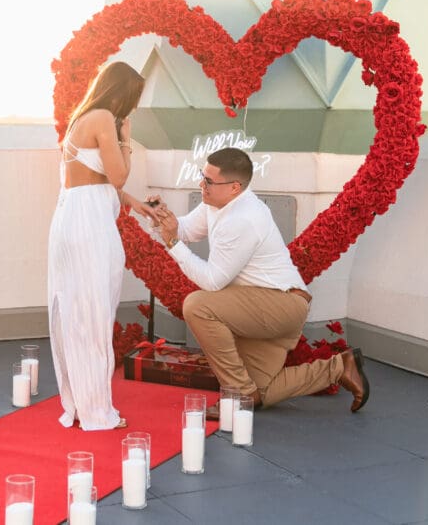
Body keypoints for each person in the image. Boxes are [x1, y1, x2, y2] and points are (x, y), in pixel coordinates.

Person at [151, 147, 368, 417]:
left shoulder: (243, 219)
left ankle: (237, 393)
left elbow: (211, 281)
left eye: (208, 181)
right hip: (264, 304)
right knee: (260, 391)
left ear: (234, 187)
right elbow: (185, 230)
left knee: (197, 305)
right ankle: (340, 368)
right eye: (202, 176)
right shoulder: (216, 203)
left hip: (281, 305)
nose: (201, 185)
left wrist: (171, 243)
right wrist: (162, 218)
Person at [47, 61, 157, 430]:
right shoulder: (106, 120)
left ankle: (79, 404)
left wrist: (132, 202)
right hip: (90, 226)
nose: (136, 107)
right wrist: (127, 136)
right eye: (135, 98)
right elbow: (118, 173)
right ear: (124, 92)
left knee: (75, 314)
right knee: (94, 313)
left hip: (72, 219)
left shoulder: (84, 116)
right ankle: (96, 412)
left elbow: (93, 178)